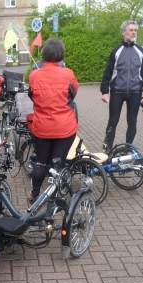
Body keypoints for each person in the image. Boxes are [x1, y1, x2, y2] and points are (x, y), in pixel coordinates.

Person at [28, 38, 79, 203]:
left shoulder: (34, 75)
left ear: (44, 54)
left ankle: (34, 193)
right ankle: (54, 198)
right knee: (58, 164)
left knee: (41, 161)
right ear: (61, 54)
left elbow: (32, 96)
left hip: (42, 126)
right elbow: (72, 94)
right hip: (65, 128)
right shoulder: (68, 74)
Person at [100, 20, 143, 152]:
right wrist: (104, 91)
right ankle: (108, 148)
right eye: (131, 30)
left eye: (135, 30)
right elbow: (108, 72)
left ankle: (128, 149)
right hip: (117, 91)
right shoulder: (116, 51)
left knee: (132, 121)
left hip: (135, 92)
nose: (134, 32)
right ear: (123, 32)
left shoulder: (140, 51)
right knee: (113, 121)